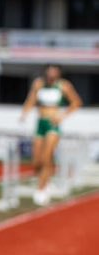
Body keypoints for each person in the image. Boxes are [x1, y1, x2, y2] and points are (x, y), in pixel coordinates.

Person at [20, 65, 82, 206]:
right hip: (40, 123)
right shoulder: (38, 84)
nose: (51, 75)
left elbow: (76, 102)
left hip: (53, 124)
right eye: (49, 72)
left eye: (54, 72)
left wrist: (62, 116)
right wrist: (24, 113)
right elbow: (31, 100)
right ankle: (44, 179)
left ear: (58, 74)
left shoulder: (64, 86)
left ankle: (42, 187)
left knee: (46, 156)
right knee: (36, 160)